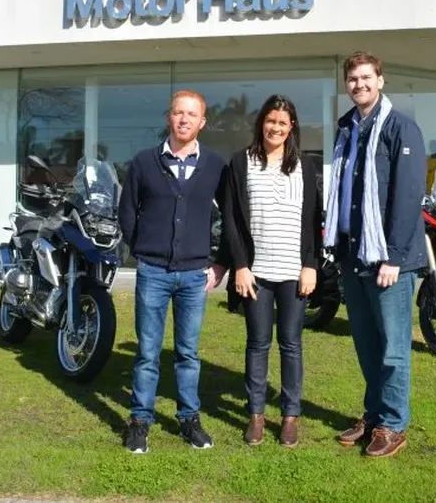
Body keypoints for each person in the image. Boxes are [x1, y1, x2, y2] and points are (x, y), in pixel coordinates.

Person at [324, 51, 427, 459]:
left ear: (381, 81)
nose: (359, 84)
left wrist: (395, 256)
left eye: (366, 77)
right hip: (354, 255)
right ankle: (374, 412)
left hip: (388, 259)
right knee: (366, 344)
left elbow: (406, 196)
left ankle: (394, 424)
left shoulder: (401, 129)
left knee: (393, 347)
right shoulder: (347, 130)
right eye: (352, 79)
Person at [119, 89, 227, 454]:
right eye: (178, 112)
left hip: (195, 275)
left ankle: (189, 419)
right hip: (153, 272)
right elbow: (127, 212)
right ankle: (139, 421)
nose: (184, 119)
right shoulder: (144, 162)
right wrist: (143, 250)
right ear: (169, 117)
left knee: (188, 353)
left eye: (191, 114)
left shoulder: (214, 166)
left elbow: (232, 217)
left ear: (202, 122)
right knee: (148, 352)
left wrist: (221, 262)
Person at [220, 94, 322, 448]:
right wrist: (240, 266)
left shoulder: (306, 166)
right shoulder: (240, 163)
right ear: (261, 123)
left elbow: (313, 220)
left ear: (291, 126)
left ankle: (290, 417)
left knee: (291, 344)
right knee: (258, 343)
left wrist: (311, 265)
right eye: (270, 121)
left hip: (294, 272)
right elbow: (231, 219)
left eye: (282, 122)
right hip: (256, 273)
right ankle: (256, 416)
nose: (275, 127)